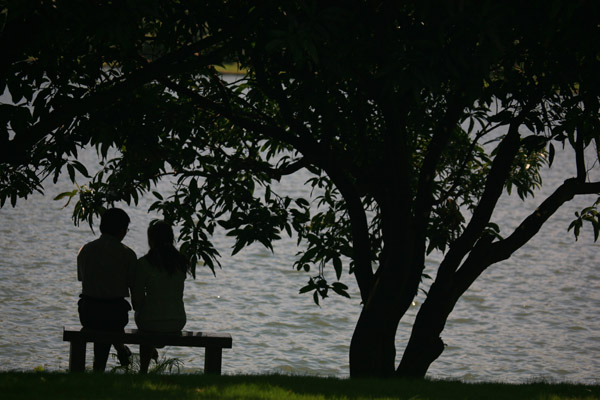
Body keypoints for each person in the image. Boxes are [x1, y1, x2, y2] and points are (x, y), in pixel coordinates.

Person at [77, 208, 137, 372]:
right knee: (110, 316)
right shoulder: (128, 254)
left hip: (89, 313)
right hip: (115, 315)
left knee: (100, 313)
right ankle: (117, 352)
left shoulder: (85, 250)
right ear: (122, 230)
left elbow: (83, 279)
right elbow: (133, 286)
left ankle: (109, 360)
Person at [131, 220, 191, 373]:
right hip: (177, 321)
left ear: (151, 240)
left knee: (146, 313)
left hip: (150, 323)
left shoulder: (144, 263)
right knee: (151, 312)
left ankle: (143, 370)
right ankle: (149, 359)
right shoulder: (181, 263)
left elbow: (136, 301)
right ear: (171, 239)